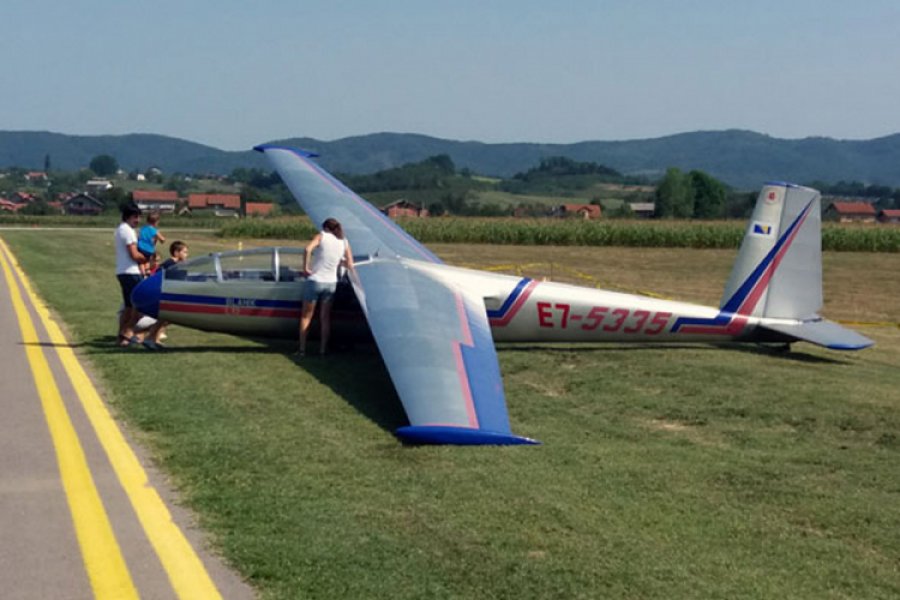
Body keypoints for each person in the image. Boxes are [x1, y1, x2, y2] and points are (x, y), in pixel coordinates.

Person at [298, 218, 354, 356]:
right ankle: (322, 350)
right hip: (331, 283)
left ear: (326, 228)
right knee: (325, 318)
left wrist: (306, 268)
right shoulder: (344, 241)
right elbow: (350, 264)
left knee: (306, 317)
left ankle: (302, 349)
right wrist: (337, 262)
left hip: (315, 281)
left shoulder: (322, 236)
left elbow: (307, 249)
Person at [143, 240, 190, 350]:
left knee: (166, 319)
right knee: (165, 318)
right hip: (163, 295)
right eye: (185, 252)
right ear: (176, 252)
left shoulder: (174, 264)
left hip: (166, 295)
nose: (187, 255)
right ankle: (150, 338)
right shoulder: (171, 265)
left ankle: (155, 339)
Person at [115, 204, 149, 346]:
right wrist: (146, 258)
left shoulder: (119, 229)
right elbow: (134, 254)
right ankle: (128, 333)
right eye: (135, 217)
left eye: (139, 216)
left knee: (129, 307)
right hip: (131, 272)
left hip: (122, 271)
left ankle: (121, 336)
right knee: (140, 306)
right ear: (128, 217)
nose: (138, 220)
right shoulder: (128, 231)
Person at [137, 211, 166, 276]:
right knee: (147, 260)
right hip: (149, 250)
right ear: (156, 222)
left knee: (140, 261)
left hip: (140, 247)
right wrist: (161, 240)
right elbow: (162, 239)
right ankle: (147, 271)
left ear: (147, 221)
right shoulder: (154, 230)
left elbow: (138, 237)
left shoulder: (142, 228)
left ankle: (142, 272)